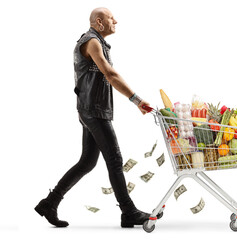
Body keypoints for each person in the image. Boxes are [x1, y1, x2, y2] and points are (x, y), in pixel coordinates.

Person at [35, 7, 153, 228]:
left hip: (91, 109)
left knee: (87, 161)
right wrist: (136, 100)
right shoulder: (91, 42)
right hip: (93, 110)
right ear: (99, 22)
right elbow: (110, 73)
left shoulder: (98, 42)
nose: (115, 21)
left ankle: (50, 203)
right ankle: (128, 212)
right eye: (111, 18)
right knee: (115, 159)